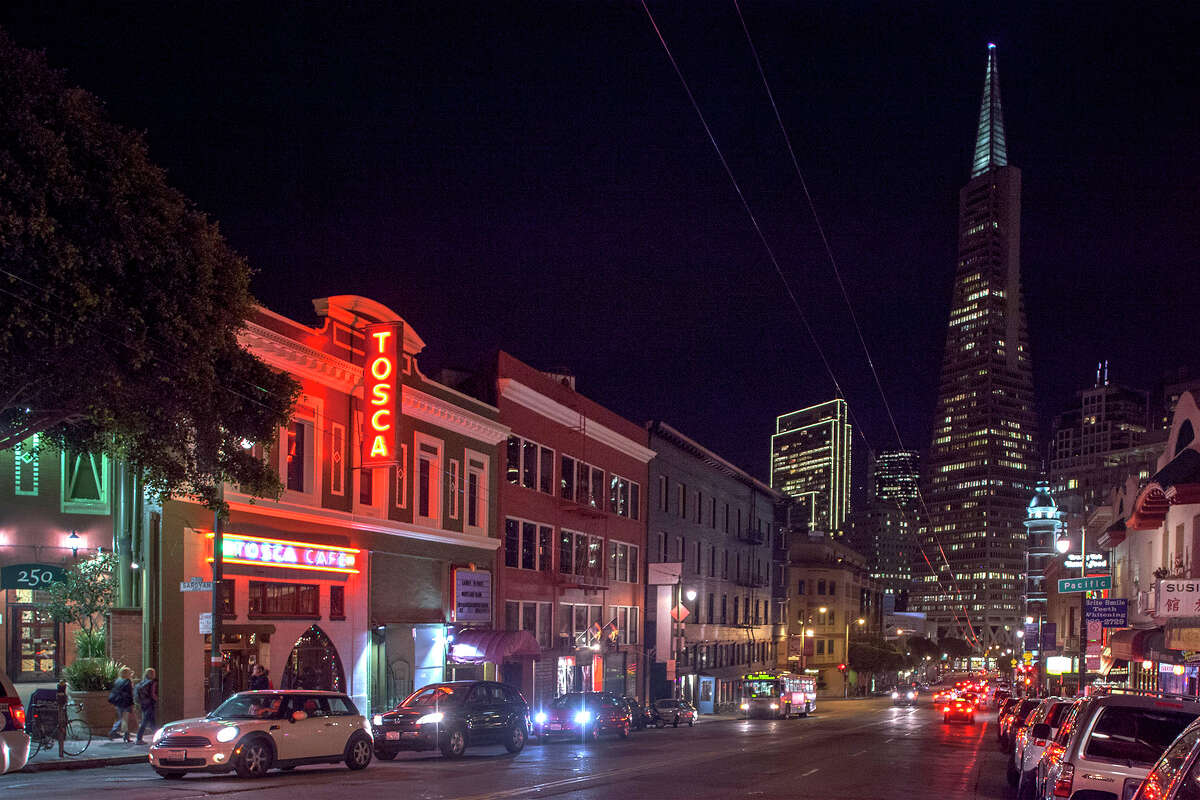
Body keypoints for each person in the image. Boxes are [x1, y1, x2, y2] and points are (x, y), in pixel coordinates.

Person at [108, 667, 135, 742]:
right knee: (125, 720)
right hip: (126, 703)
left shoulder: (118, 681)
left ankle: (114, 732)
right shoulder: (127, 681)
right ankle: (125, 736)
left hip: (118, 702)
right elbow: (130, 694)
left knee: (121, 719)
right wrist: (132, 703)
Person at [134, 668, 158, 745]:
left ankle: (157, 737)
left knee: (152, 722)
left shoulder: (142, 682)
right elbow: (152, 694)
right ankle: (139, 738)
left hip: (143, 704)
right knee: (145, 721)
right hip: (150, 704)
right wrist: (157, 699)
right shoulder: (152, 683)